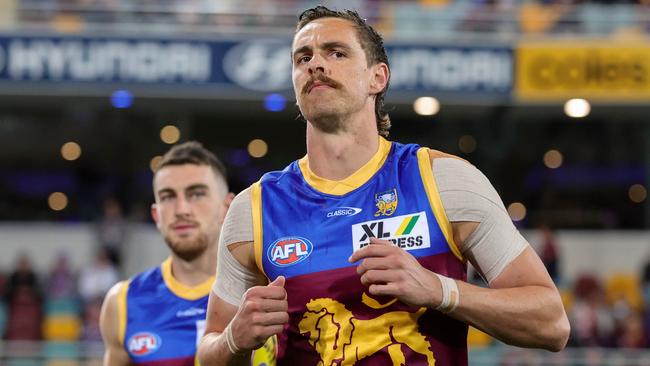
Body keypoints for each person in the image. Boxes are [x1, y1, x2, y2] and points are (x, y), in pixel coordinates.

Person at [198, 6, 570, 365]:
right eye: (302, 58)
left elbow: (552, 323)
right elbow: (209, 349)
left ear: (378, 77)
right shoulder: (255, 209)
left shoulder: (444, 181)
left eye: (336, 52)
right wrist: (234, 339)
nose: (315, 64)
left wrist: (440, 290)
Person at [99, 142, 275, 365]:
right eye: (168, 196)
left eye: (196, 194)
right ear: (156, 215)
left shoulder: (268, 293)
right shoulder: (122, 302)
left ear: (227, 207)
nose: (182, 210)